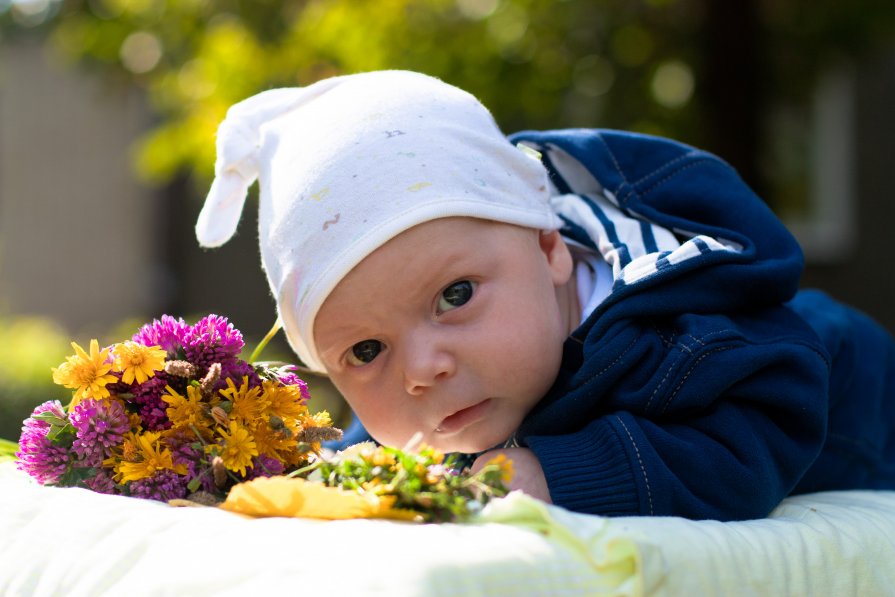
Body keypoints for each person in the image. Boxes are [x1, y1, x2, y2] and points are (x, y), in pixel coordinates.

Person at [195, 70, 895, 521]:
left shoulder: (683, 339)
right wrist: (347, 469)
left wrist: (554, 473)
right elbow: (384, 446)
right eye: (366, 350)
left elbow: (758, 435)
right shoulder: (460, 383)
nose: (420, 369)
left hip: (858, 397)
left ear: (549, 247)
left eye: (455, 294)